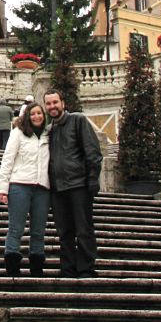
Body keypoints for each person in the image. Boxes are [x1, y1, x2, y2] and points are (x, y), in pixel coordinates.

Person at [45, 88, 103, 279]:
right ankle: (68, 268)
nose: (52, 106)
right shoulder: (50, 129)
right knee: (64, 231)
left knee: (83, 228)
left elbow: (92, 150)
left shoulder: (77, 120)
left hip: (78, 184)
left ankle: (86, 267)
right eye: (48, 103)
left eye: (55, 102)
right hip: (58, 188)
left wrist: (93, 178)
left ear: (63, 103)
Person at [0, 101, 51, 276]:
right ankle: (12, 266)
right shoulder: (18, 133)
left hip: (42, 186)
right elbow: (8, 160)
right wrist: (2, 187)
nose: (36, 116)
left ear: (44, 116)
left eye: (39, 113)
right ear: (27, 116)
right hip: (19, 184)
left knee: (39, 230)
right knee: (16, 228)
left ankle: (36, 266)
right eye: (33, 114)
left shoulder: (49, 135)